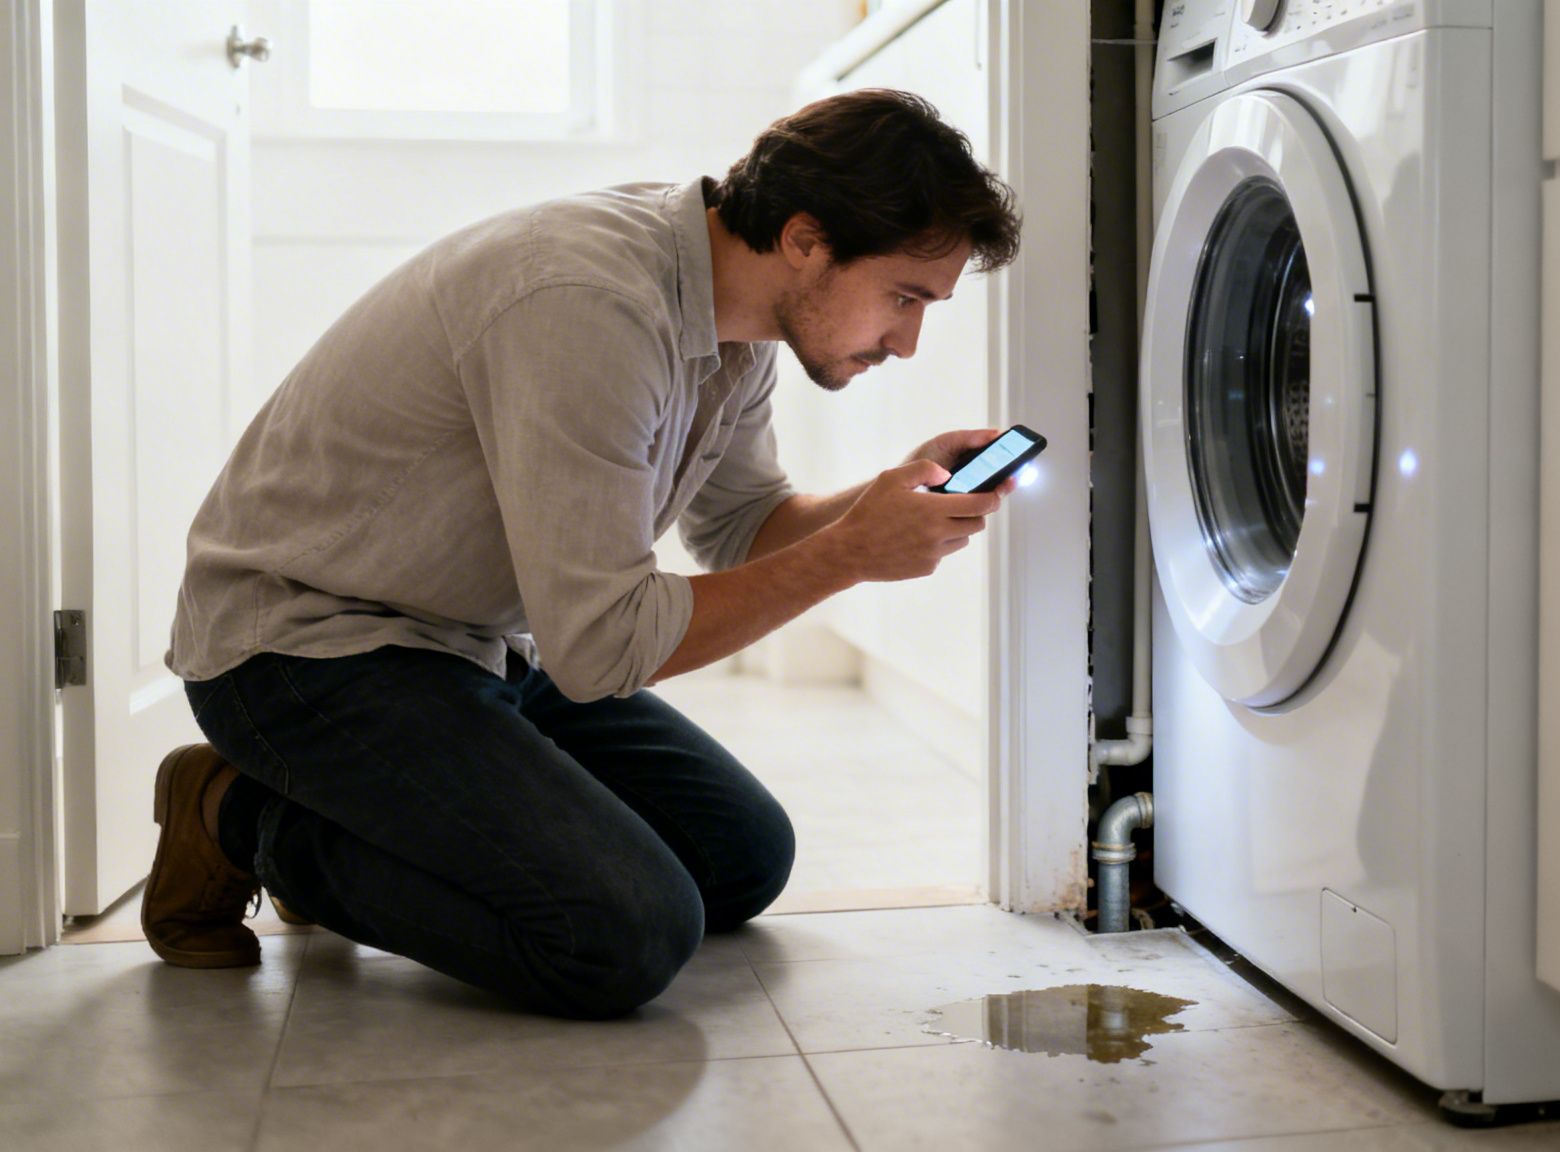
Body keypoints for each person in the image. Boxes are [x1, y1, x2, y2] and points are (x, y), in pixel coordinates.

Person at [141, 88, 1023, 1019]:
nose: (909, 340)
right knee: (619, 935)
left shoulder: (738, 319)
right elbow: (604, 646)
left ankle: (364, 809)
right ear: (806, 240)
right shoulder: (588, 305)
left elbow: (742, 524)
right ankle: (244, 816)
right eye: (903, 296)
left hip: (479, 641)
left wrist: (894, 493)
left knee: (739, 858)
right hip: (306, 652)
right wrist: (851, 554)